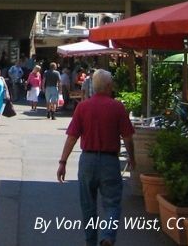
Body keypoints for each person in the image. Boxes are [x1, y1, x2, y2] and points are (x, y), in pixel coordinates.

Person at [56, 70, 135, 246]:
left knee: (88, 206)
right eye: (112, 83)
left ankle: (90, 242)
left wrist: (63, 162)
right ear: (108, 86)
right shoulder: (117, 107)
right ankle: (107, 236)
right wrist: (132, 157)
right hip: (110, 161)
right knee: (112, 204)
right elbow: (128, 138)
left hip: (87, 161)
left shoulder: (83, 107)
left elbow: (72, 137)